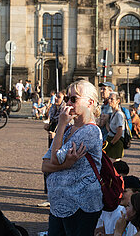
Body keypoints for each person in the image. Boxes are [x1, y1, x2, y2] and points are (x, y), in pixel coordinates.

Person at [41, 80, 103, 235]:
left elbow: (54, 160)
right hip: (59, 205)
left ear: (90, 102)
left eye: (74, 99)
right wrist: (65, 165)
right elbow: (45, 165)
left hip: (80, 205)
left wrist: (61, 125)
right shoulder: (69, 130)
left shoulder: (90, 131)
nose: (67, 102)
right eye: (67, 98)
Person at [104, 92, 125, 161]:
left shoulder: (119, 114)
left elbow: (119, 132)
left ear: (118, 101)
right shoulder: (113, 113)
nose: (109, 100)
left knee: (114, 166)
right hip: (112, 140)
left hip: (115, 142)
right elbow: (111, 129)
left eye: (112, 99)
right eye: (109, 99)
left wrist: (111, 143)